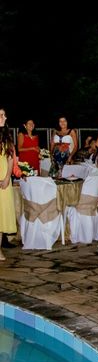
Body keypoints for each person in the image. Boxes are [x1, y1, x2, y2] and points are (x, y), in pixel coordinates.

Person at [0, 109, 17, 259]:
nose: (4, 117)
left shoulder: (7, 137)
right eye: (1, 115)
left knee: (2, 215)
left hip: (4, 177)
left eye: (5, 114)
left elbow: (11, 158)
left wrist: (6, 178)